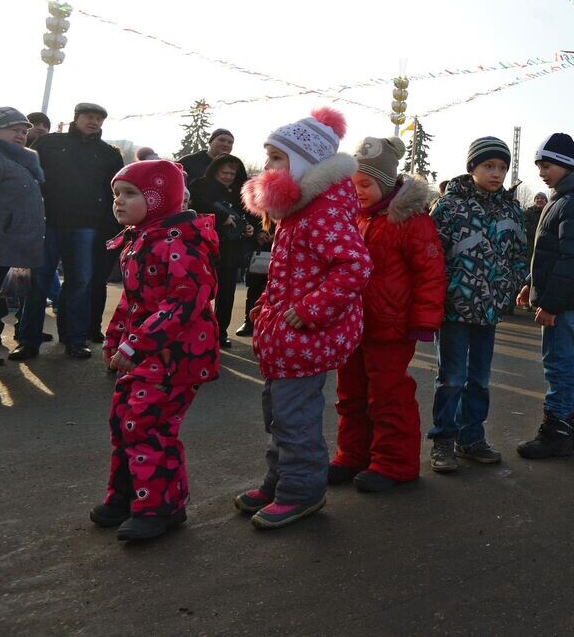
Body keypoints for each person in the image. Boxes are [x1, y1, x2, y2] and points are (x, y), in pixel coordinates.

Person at [236, 108, 371, 529]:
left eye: (278, 159)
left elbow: (354, 265)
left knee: (295, 420)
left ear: (303, 164)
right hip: (285, 334)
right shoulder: (295, 213)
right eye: (269, 158)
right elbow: (292, 274)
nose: (268, 167)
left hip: (307, 336)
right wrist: (267, 308)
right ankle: (280, 481)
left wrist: (307, 311)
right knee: (280, 416)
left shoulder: (323, 211)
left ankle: (301, 493)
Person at [91, 160, 219, 542]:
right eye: (117, 194)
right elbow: (132, 301)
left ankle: (160, 507)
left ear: (159, 200)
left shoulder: (178, 243)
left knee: (148, 424)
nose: (119, 202)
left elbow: (184, 303)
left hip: (174, 356)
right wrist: (114, 338)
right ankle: (127, 494)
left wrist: (136, 343)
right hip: (143, 352)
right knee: (123, 420)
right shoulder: (141, 239)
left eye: (130, 194)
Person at [331, 136, 445, 492]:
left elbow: (430, 271)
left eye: (365, 184)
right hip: (353, 324)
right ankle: (353, 453)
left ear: (385, 183)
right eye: (353, 185)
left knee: (388, 394)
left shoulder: (411, 221)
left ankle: (395, 462)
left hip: (390, 326)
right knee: (350, 392)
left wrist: (425, 320)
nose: (358, 191)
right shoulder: (353, 219)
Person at [429, 137, 527, 471]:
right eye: (489, 166)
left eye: (502, 167)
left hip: (490, 308)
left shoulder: (510, 208)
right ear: (473, 167)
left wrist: (510, 284)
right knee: (451, 378)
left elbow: (518, 253)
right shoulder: (449, 206)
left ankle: (471, 437)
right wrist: (443, 292)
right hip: (455, 307)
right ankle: (443, 440)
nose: (496, 173)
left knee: (480, 379)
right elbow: (432, 255)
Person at [12, 102, 123, 361]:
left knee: (80, 283)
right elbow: (28, 178)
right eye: (89, 117)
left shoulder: (108, 153)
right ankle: (28, 341)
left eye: (99, 118)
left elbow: (115, 191)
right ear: (77, 117)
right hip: (46, 223)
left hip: (87, 227)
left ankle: (74, 340)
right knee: (38, 283)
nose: (94, 122)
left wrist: (111, 227)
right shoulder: (48, 143)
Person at [516, 133, 574, 459]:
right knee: (570, 364)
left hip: (562, 302)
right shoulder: (564, 199)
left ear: (565, 165)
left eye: (547, 165)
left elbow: (571, 260)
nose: (541, 172)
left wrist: (550, 303)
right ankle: (571, 429)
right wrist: (530, 282)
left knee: (558, 365)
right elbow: (548, 253)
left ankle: (556, 432)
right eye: (539, 165)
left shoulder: (573, 202)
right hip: (564, 298)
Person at [0, 107, 45, 372]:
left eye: (23, 131)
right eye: (14, 129)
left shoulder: (19, 159)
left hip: (4, 246)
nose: (21, 135)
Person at [187, 153, 254, 347]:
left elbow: (248, 213)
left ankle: (220, 331)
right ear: (215, 170)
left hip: (231, 248)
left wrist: (249, 228)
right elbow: (196, 204)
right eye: (224, 172)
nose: (228, 177)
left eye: (232, 174)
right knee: (199, 290)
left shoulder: (239, 191)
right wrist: (222, 215)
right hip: (204, 246)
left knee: (227, 291)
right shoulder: (201, 185)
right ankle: (196, 330)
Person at [524, 191, 547, 270]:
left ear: (546, 201)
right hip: (529, 250)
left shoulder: (549, 213)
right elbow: (527, 229)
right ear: (534, 201)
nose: (539, 200)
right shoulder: (527, 213)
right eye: (537, 198)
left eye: (542, 198)